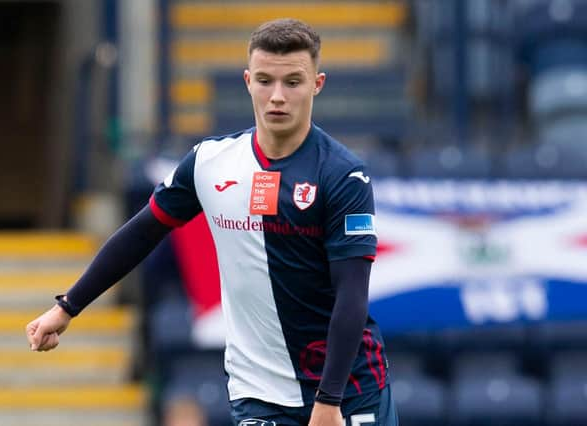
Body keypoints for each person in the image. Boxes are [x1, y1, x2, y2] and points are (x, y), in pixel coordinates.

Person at [26, 18, 397, 426]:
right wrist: (67, 307)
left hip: (350, 392)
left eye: (293, 82)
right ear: (247, 81)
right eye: (264, 80)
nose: (277, 96)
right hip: (260, 394)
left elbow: (352, 297)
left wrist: (329, 402)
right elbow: (143, 231)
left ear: (317, 84)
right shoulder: (210, 162)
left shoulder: (343, 175)